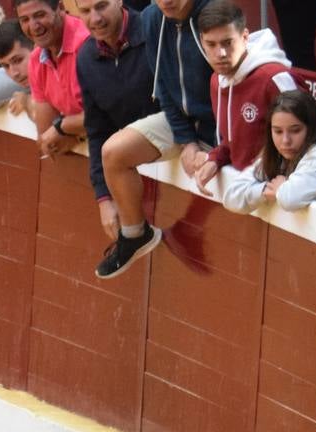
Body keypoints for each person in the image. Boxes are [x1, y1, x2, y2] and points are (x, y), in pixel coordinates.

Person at [90, 0, 225, 280]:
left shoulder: (213, 13)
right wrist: (187, 140)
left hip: (222, 126)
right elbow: (162, 87)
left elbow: (235, 92)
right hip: (183, 121)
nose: (166, 1)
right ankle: (135, 233)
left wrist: (214, 148)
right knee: (113, 152)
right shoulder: (152, 17)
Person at [75, 0, 159, 248]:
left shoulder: (153, 29)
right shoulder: (86, 57)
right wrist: (103, 197)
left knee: (114, 150)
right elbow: (97, 130)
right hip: (135, 148)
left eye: (101, 6)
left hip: (176, 133)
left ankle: (135, 234)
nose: (95, 18)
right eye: (86, 11)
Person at [191, 5, 298, 196]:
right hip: (249, 187)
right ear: (201, 42)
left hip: (282, 191)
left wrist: (290, 184)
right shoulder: (217, 80)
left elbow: (310, 139)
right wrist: (216, 158)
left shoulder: (273, 78)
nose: (221, 53)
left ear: (245, 37)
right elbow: (232, 139)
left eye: (227, 43)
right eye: (211, 45)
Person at [218, 87, 316, 215]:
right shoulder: (280, 153)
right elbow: (231, 196)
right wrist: (265, 189)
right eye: (277, 131)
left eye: (295, 130)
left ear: (312, 127)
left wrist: (281, 189)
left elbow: (290, 198)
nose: (285, 141)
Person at [22, 0, 92, 159]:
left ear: (60, 8)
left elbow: (110, 114)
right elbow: (48, 138)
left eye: (39, 15)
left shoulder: (88, 44)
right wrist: (74, 132)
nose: (33, 26)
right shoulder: (36, 59)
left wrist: (64, 127)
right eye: (25, 20)